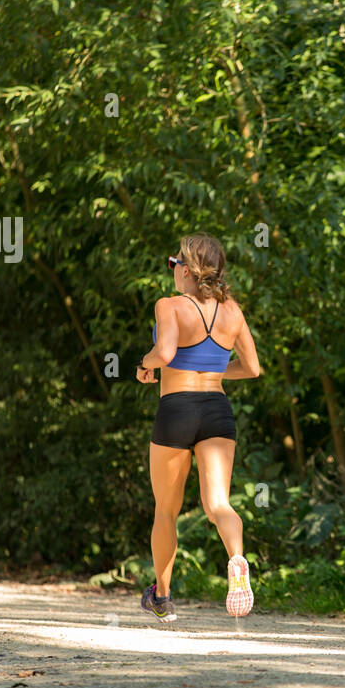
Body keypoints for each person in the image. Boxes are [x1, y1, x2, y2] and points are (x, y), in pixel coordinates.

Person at [135, 233, 260, 623]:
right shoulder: (233, 311)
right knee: (219, 504)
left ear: (186, 270)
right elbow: (253, 368)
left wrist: (146, 363)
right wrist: (216, 371)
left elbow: (167, 353)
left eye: (173, 265)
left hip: (177, 409)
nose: (172, 272)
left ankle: (163, 598)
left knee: (166, 511)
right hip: (216, 409)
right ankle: (237, 560)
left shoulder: (169, 305)